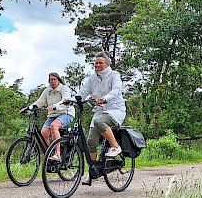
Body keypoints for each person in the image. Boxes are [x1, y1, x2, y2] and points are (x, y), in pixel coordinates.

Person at [75, 51, 125, 183]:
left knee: (98, 121)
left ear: (107, 64)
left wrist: (105, 98)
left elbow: (116, 90)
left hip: (115, 110)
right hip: (100, 111)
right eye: (96, 62)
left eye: (100, 62)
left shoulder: (114, 75)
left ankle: (115, 146)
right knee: (91, 141)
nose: (97, 65)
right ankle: (93, 170)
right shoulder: (93, 78)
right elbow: (84, 91)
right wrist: (72, 99)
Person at [22, 72, 75, 161]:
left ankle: (57, 154)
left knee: (54, 126)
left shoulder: (64, 88)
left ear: (58, 80)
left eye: (55, 79)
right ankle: (49, 157)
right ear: (49, 81)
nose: (53, 81)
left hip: (66, 113)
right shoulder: (47, 90)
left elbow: (65, 101)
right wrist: (28, 108)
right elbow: (39, 102)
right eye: (51, 80)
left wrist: (55, 106)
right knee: (44, 133)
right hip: (52, 115)